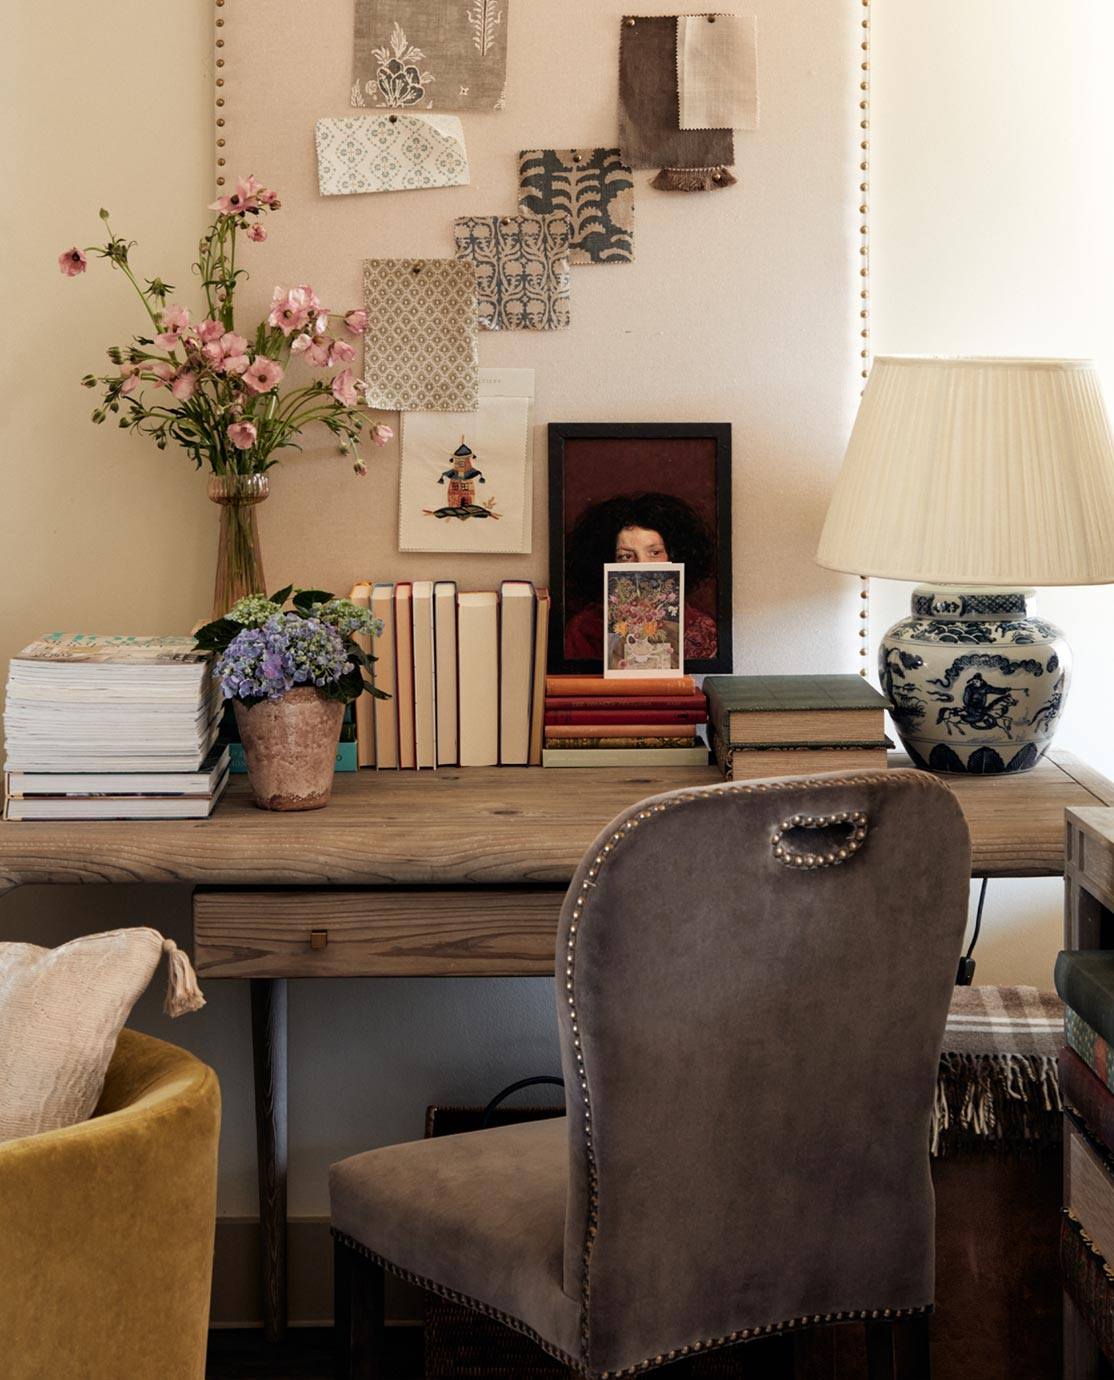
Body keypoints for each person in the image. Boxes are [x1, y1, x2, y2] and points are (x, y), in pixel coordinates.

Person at [563, 491, 718, 661]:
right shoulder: (584, 629)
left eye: (655, 553)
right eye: (626, 556)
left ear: (673, 556)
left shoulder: (700, 628)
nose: (642, 565)